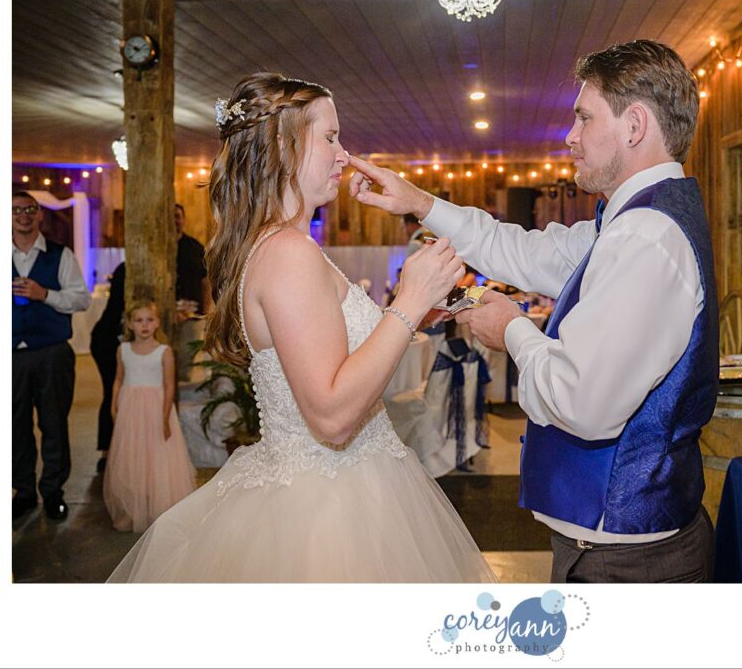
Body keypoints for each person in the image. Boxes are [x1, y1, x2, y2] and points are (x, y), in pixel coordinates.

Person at [349, 39, 718, 583]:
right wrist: (420, 202)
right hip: (611, 544)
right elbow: (518, 250)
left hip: (629, 560)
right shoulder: (629, 222)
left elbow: (583, 403)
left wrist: (513, 329)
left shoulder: (646, 238)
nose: (570, 137)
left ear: (635, 126)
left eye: (584, 119)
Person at [107, 72, 494, 582]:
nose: (344, 155)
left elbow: (334, 352)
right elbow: (331, 417)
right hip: (328, 507)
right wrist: (408, 300)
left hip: (346, 483)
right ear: (282, 147)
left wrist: (415, 309)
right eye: (330, 137)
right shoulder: (288, 254)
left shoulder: (284, 246)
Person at [12, 191, 92, 520]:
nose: (23, 215)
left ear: (39, 215)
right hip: (11, 356)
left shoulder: (60, 255)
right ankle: (24, 491)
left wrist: (45, 294)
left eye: (30, 209)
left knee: (54, 423)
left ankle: (53, 491)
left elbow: (81, 300)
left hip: (53, 353)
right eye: (16, 210)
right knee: (14, 426)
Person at [103, 299, 196, 533]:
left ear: (157, 323)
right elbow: (118, 379)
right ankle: (134, 511)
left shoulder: (164, 352)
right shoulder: (122, 350)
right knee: (133, 457)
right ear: (130, 325)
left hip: (155, 410)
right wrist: (113, 405)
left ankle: (158, 511)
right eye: (138, 320)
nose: (144, 325)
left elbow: (169, 386)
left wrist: (165, 417)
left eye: (149, 320)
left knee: (156, 457)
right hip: (130, 409)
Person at [90, 261, 125, 473]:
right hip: (107, 339)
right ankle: (107, 451)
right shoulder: (125, 270)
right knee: (112, 391)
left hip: (121, 339)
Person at [173, 203, 212, 381]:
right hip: (160, 318)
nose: (175, 221)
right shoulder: (156, 248)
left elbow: (206, 280)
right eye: (171, 216)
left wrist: (206, 311)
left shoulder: (195, 247)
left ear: (184, 220)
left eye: (178, 216)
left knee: (185, 363)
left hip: (192, 316)